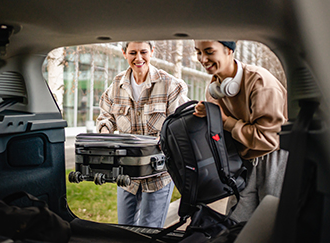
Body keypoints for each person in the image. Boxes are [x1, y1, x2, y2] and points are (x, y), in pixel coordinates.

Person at [96, 41, 189, 227]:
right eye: (133, 53)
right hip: (127, 172)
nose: (138, 58)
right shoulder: (116, 84)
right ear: (124, 53)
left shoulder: (171, 84)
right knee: (124, 228)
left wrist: (165, 141)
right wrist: (105, 134)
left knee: (149, 230)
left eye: (143, 52)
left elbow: (181, 126)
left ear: (152, 52)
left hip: (158, 174)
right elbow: (105, 117)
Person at [193, 40, 289, 222]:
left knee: (273, 222)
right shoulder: (214, 89)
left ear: (229, 50)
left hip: (273, 158)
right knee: (234, 223)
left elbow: (268, 139)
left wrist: (225, 121)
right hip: (243, 162)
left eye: (209, 51)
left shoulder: (260, 82)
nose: (203, 59)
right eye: (198, 52)